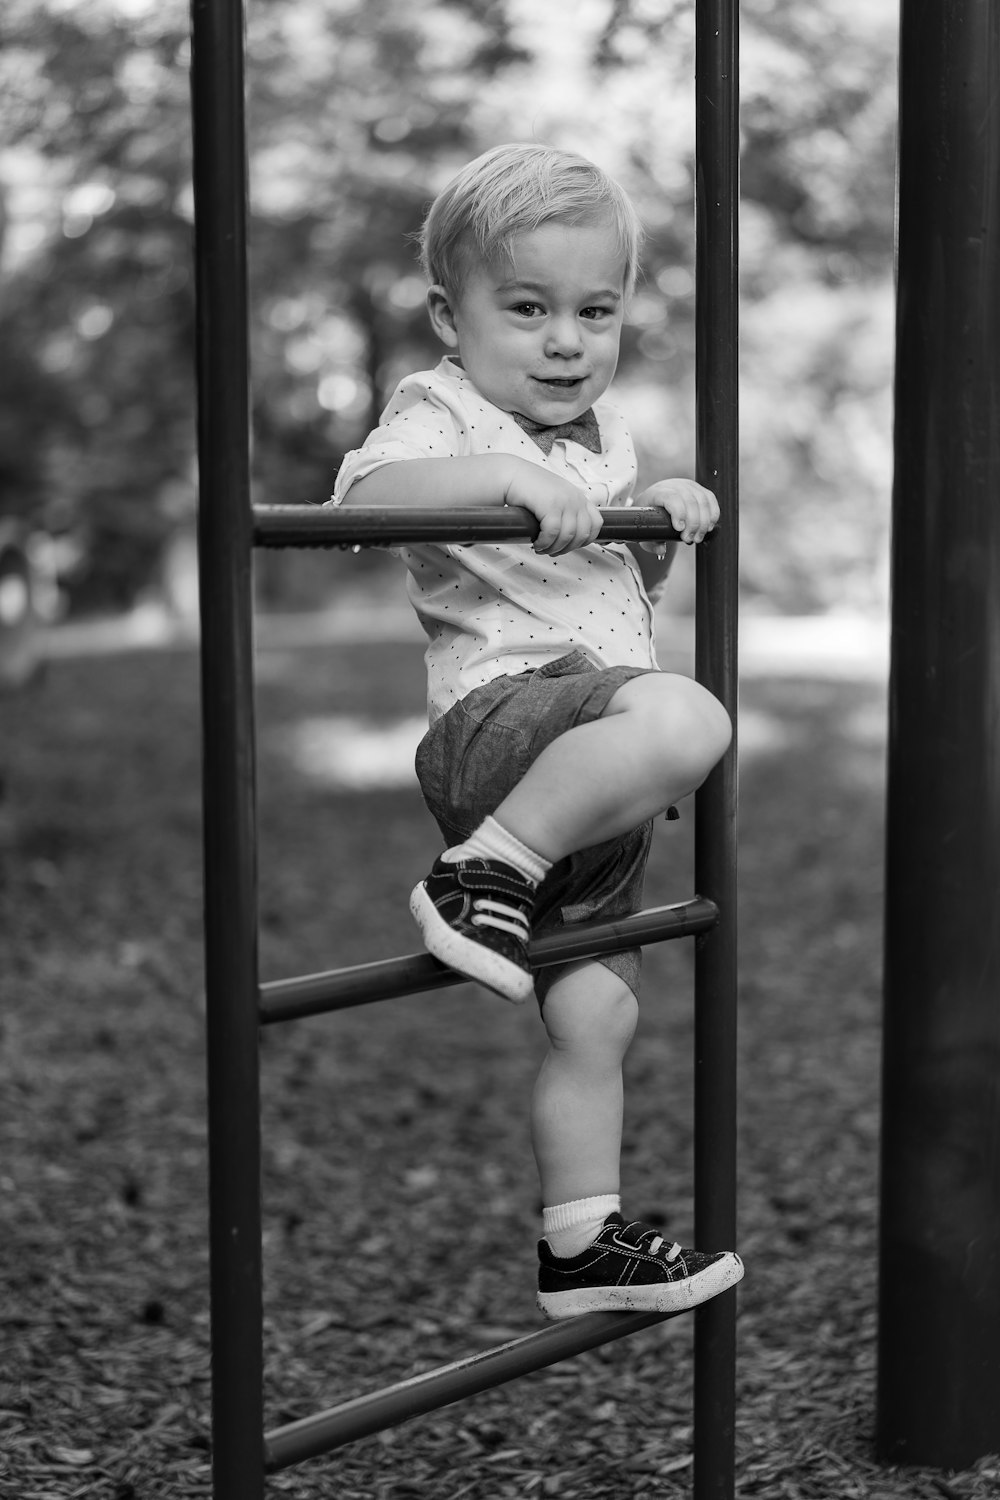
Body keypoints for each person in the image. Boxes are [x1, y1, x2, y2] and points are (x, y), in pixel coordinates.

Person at [331, 143, 743, 1320]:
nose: (566, 340)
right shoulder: (443, 408)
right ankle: (477, 875)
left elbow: (612, 599)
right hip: (507, 726)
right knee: (689, 720)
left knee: (599, 1008)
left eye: (594, 310)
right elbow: (359, 501)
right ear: (448, 317)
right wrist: (500, 473)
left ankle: (579, 1242)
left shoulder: (597, 439)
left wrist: (649, 517)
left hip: (584, 770)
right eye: (528, 309)